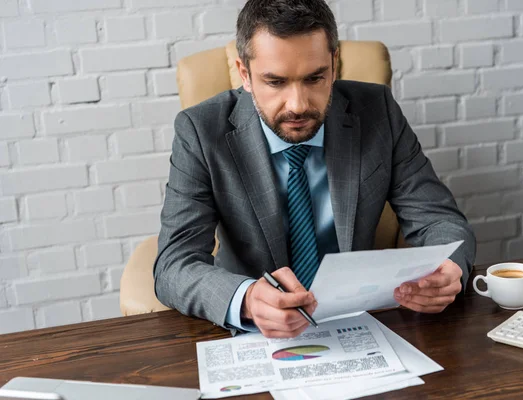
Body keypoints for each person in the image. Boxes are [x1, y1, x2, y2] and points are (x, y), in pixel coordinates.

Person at [154, 0, 476, 338]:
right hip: (257, 334)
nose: (298, 105)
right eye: (275, 82)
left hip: (360, 321)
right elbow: (174, 264)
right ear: (245, 74)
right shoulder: (201, 131)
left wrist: (449, 269)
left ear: (334, 66)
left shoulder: (377, 112)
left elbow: (440, 220)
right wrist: (247, 299)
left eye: (314, 78)